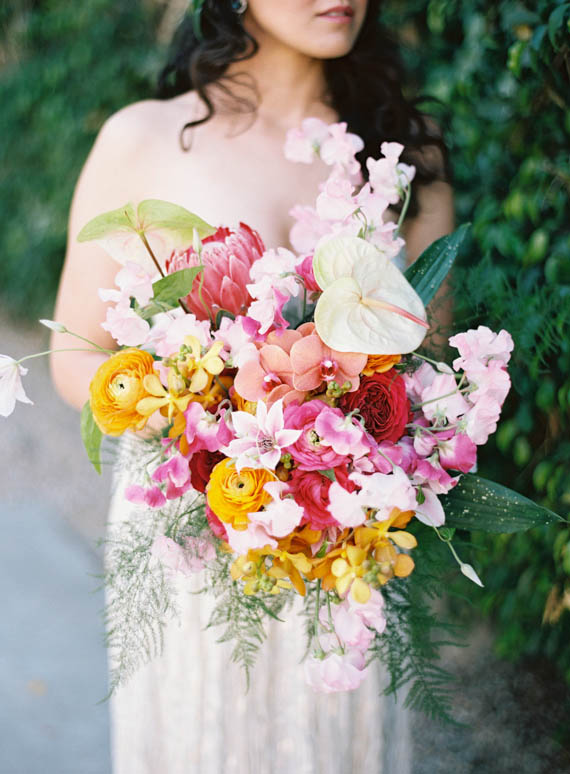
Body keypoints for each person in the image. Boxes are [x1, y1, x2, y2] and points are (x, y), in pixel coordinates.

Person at [50, 1, 454, 772]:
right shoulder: (142, 139)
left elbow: (431, 381)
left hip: (343, 548)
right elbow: (74, 355)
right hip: (195, 547)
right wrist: (191, 410)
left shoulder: (406, 160)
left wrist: (343, 447)